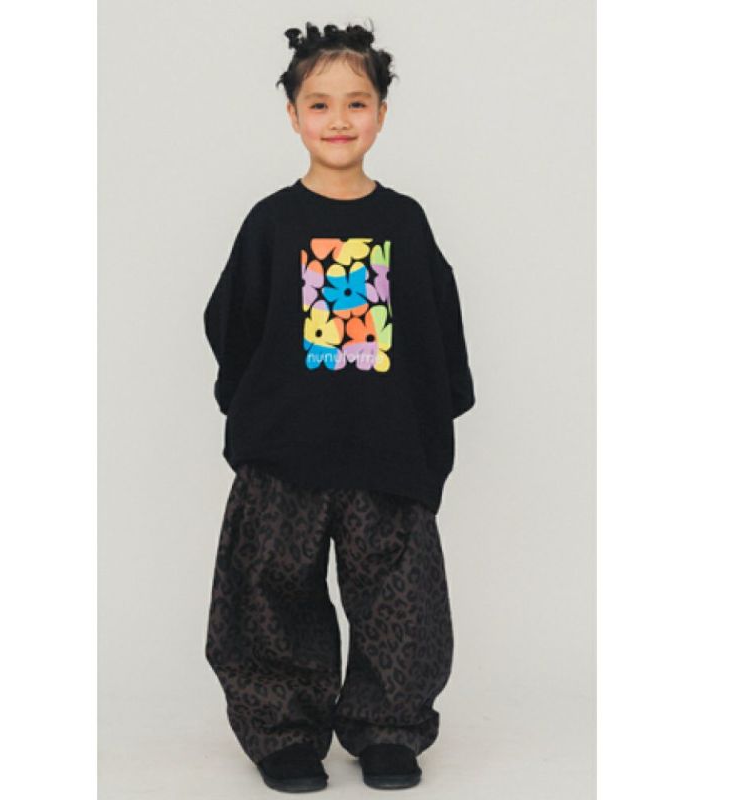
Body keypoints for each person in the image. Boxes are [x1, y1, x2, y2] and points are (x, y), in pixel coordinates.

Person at [202, 20, 475, 793]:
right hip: (286, 449)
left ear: (382, 113)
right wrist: (256, 411)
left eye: (357, 103)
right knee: (271, 591)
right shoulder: (271, 223)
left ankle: (388, 730)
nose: (339, 120)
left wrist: (428, 428)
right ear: (293, 115)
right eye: (320, 104)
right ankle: (284, 733)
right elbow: (233, 324)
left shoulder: (404, 223)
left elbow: (437, 327)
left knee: (400, 597)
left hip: (385, 447)